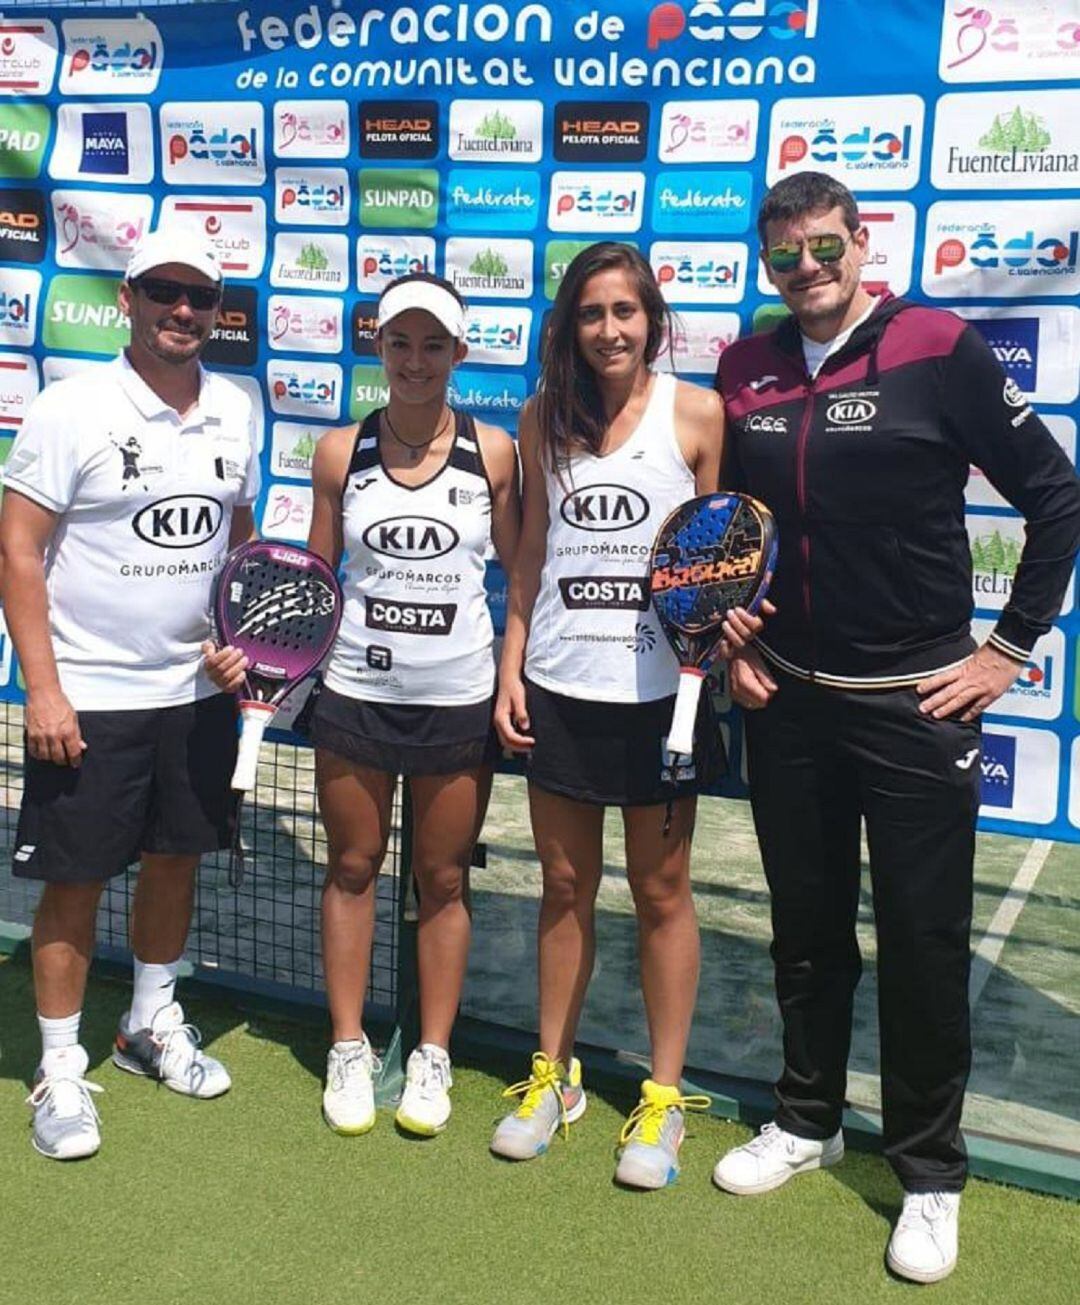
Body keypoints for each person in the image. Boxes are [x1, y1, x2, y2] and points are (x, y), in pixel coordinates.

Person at [711, 171, 1080, 1282]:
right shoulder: (747, 367)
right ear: (768, 267)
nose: (810, 275)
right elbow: (729, 534)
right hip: (786, 700)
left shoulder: (938, 345)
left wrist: (1007, 650)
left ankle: (929, 1172)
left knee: (922, 943)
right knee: (807, 930)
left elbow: (1056, 497)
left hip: (917, 704)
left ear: (862, 244)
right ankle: (808, 1119)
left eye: (827, 251)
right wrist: (731, 648)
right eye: (787, 260)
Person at [0, 228, 260, 1160]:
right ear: (128, 298)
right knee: (73, 882)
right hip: (89, 698)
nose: (181, 310)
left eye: (199, 296)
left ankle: (149, 1021)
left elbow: (239, 545)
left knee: (174, 859)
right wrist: (43, 687)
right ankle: (62, 1068)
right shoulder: (70, 409)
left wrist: (239, 643)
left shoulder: (237, 408)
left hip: (195, 695)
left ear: (219, 311)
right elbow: (17, 550)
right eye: (163, 292)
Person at [491, 242, 724, 1188]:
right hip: (558, 683)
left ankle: (663, 1100)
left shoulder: (697, 412)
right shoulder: (542, 417)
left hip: (664, 698)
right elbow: (531, 554)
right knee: (561, 886)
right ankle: (556, 1078)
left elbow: (721, 562)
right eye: (592, 313)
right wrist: (513, 668)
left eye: (626, 311)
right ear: (570, 326)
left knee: (662, 893)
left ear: (652, 319)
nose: (609, 329)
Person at [306, 272, 520, 1138]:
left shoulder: (493, 452)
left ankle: (433, 1054)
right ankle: (349, 1045)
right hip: (356, 690)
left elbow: (522, 567)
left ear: (459, 354)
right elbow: (316, 584)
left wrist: (512, 671)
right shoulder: (338, 452)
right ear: (379, 347)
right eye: (401, 342)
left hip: (458, 697)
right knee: (354, 868)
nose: (416, 360)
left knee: (441, 880)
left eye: (434, 344)